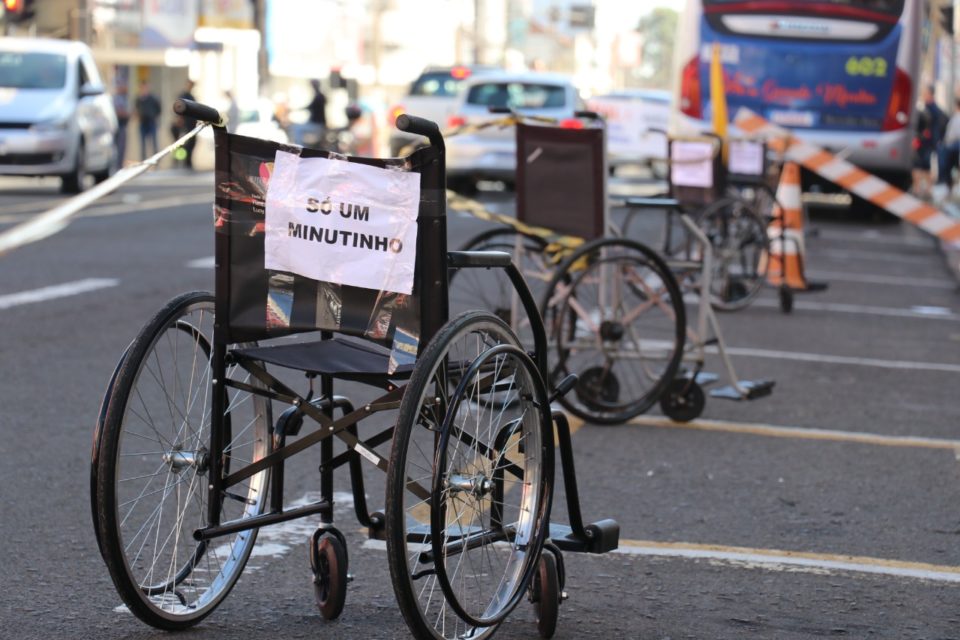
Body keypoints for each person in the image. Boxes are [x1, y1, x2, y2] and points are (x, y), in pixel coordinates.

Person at [912, 85, 946, 200]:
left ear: (930, 94)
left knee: (923, 165)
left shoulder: (931, 110)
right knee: (920, 165)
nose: (923, 95)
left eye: (924, 92)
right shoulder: (928, 109)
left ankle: (925, 189)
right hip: (924, 142)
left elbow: (935, 128)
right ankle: (920, 189)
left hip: (927, 143)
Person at [934, 98, 960, 203]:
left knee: (946, 165)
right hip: (954, 146)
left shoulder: (956, 118)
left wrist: (945, 143)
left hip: (953, 146)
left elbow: (951, 135)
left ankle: (946, 185)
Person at [171, 79, 197, 169]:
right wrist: (179, 119)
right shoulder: (183, 96)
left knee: (190, 145)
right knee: (181, 145)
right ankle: (179, 161)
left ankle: (187, 162)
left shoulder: (191, 97)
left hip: (190, 125)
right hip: (184, 126)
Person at [134, 81, 161, 160]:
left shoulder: (153, 98)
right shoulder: (138, 99)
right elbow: (136, 109)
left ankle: (156, 159)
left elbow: (159, 109)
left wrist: (154, 116)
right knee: (142, 144)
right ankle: (143, 159)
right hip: (142, 123)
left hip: (151, 122)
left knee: (154, 142)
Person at [112, 81, 130, 167]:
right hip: (119, 125)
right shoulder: (117, 98)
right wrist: (126, 114)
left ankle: (119, 165)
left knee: (122, 148)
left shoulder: (124, 98)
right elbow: (118, 112)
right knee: (119, 147)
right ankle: (117, 166)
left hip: (123, 125)